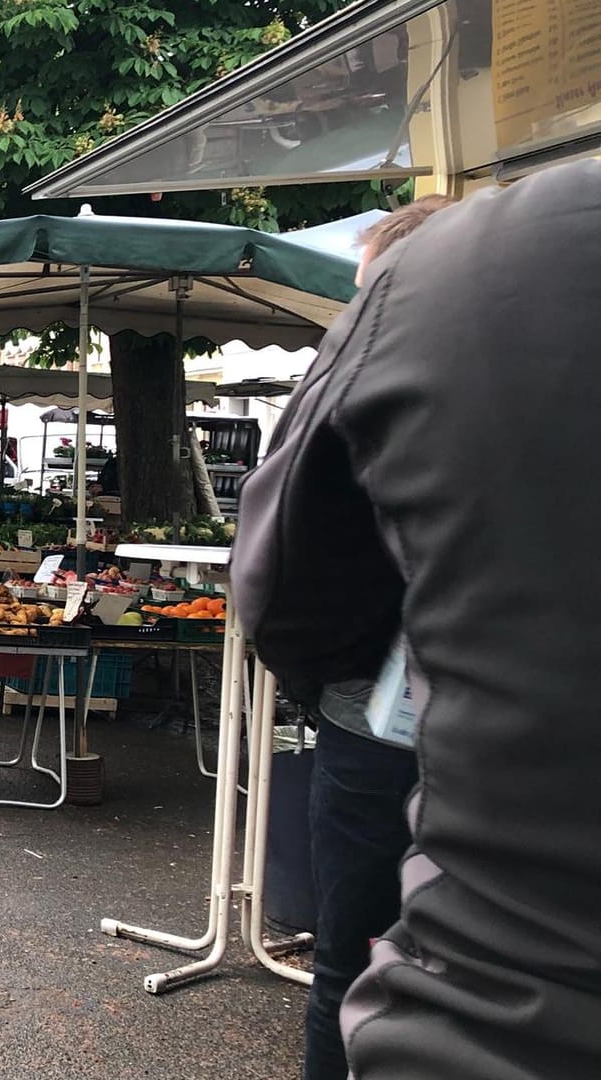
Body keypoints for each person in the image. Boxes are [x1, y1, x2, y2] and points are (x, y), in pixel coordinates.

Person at [234, 165, 601, 1080]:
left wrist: (338, 688)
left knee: (350, 963)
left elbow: (281, 572)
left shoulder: (464, 276)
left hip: (408, 756)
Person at [262, 194, 452, 1080]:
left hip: (376, 718)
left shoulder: (354, 385)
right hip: (517, 726)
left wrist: (314, 676)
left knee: (347, 961)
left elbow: (287, 560)